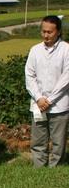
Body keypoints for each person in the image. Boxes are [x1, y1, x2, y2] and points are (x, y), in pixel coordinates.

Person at [25, 15, 69, 167]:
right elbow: (29, 76)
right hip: (39, 104)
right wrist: (39, 98)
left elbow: (66, 78)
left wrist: (49, 100)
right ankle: (39, 169)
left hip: (59, 104)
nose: (46, 35)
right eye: (43, 31)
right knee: (38, 140)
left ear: (58, 32)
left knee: (58, 141)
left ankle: (56, 169)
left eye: (49, 32)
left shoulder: (66, 50)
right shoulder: (35, 50)